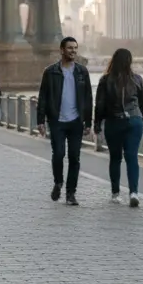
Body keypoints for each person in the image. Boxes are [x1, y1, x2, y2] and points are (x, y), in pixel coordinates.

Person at [35, 37, 94, 206]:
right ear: (62, 50)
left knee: (75, 157)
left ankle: (71, 193)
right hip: (57, 121)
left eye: (75, 48)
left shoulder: (82, 72)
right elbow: (43, 97)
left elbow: (88, 98)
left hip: (76, 121)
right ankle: (58, 182)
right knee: (59, 154)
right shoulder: (50, 72)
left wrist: (88, 122)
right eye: (69, 48)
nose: (73, 51)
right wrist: (40, 120)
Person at [93, 47, 143, 207]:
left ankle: (116, 194)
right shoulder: (137, 79)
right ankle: (134, 192)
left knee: (115, 158)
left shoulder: (105, 80)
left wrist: (97, 123)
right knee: (132, 157)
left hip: (114, 121)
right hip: (134, 121)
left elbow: (99, 104)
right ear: (129, 61)